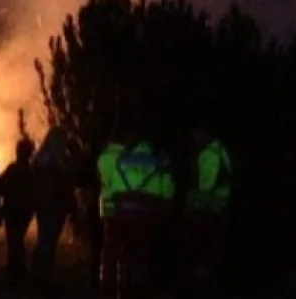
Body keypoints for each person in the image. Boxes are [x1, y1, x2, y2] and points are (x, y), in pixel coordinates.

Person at [113, 134, 174, 298]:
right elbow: (167, 191)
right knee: (142, 253)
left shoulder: (123, 160)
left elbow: (114, 187)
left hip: (125, 214)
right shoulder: (160, 161)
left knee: (126, 250)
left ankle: (122, 289)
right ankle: (137, 290)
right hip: (146, 216)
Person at [186, 126, 232, 297]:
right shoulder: (221, 150)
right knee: (214, 253)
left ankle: (204, 288)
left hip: (208, 211)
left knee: (204, 251)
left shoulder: (209, 154)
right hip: (218, 208)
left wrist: (192, 205)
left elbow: (205, 187)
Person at [31, 126, 76, 292]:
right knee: (47, 241)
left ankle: (39, 276)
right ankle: (41, 278)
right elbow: (65, 182)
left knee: (46, 240)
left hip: (48, 206)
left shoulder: (42, 159)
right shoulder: (55, 160)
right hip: (52, 206)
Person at [0, 136, 35, 284]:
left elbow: (1, 186)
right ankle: (18, 268)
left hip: (12, 209)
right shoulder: (31, 170)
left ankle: (15, 269)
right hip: (25, 211)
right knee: (18, 239)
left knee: (13, 240)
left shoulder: (13, 169)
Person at [96, 136, 126, 296]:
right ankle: (122, 285)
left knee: (109, 249)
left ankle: (106, 285)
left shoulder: (103, 157)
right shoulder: (127, 157)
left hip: (106, 208)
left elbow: (101, 180)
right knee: (123, 247)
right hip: (124, 208)